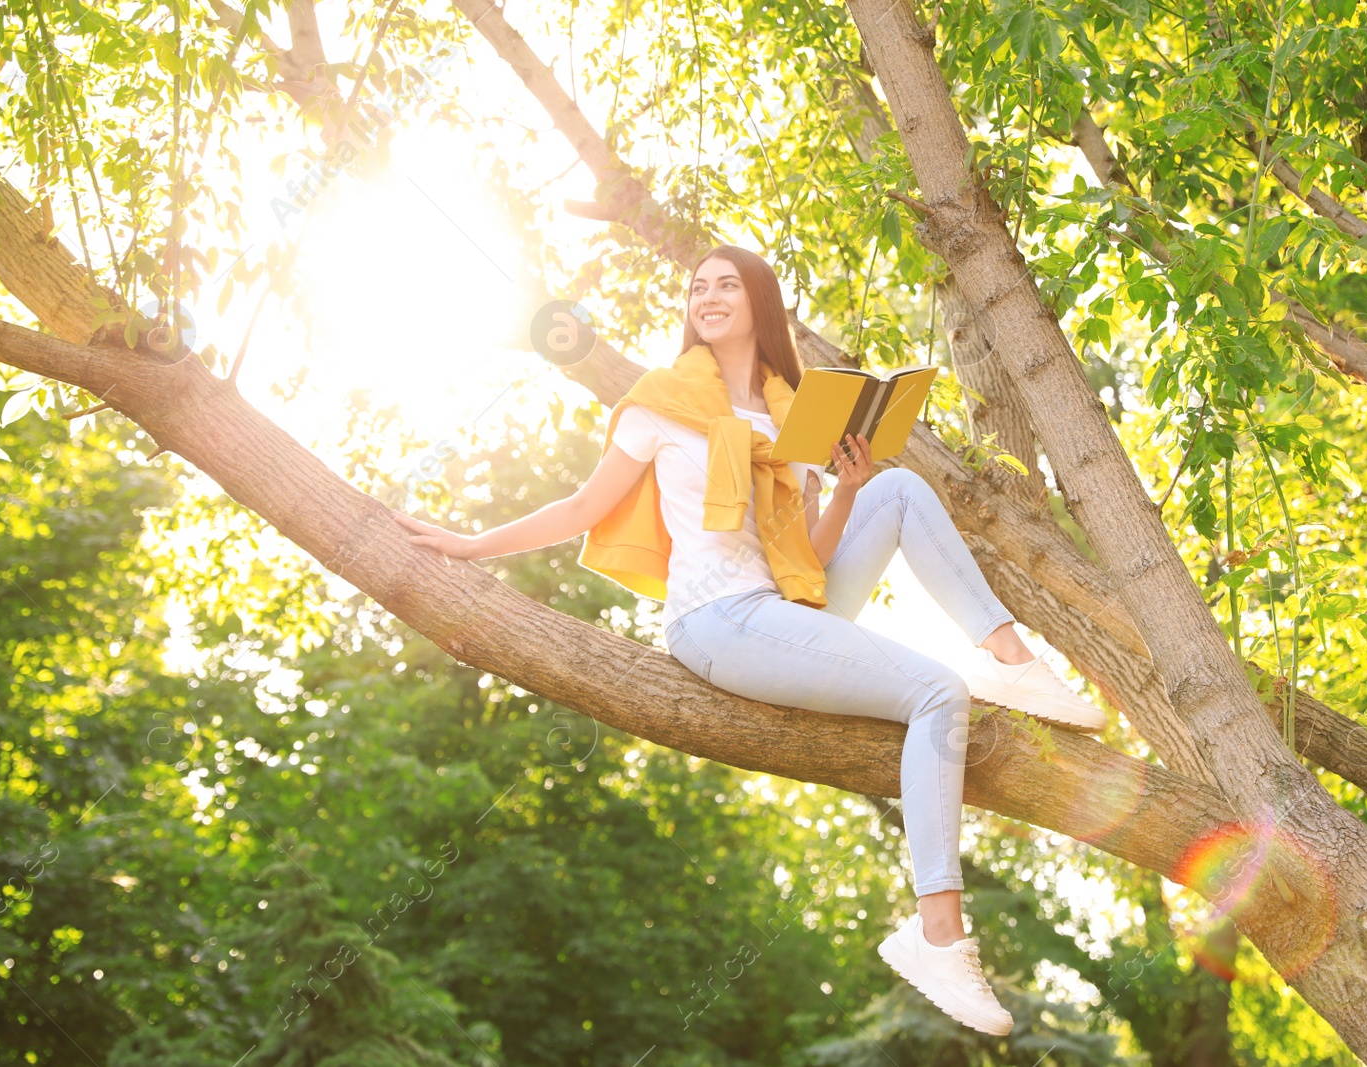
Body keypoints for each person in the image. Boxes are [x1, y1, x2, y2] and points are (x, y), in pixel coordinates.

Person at [391, 244, 1105, 1037]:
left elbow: (811, 553)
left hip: (784, 600)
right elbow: (580, 509)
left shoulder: (789, 412)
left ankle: (1008, 654)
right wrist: (465, 543)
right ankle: (936, 933)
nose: (708, 295)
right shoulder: (660, 401)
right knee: (937, 693)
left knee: (900, 486)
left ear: (759, 302)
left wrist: (848, 489)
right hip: (719, 620)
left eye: (727, 283)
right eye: (698, 287)